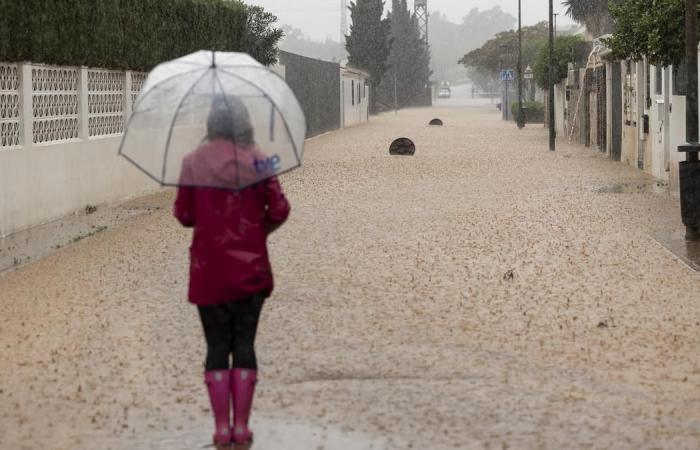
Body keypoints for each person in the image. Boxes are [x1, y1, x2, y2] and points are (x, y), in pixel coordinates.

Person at [174, 95, 290, 448]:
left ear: (211, 124)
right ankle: (242, 427)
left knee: (215, 346)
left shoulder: (193, 162)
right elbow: (280, 209)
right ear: (244, 124)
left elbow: (184, 215)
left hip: (208, 272)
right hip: (251, 273)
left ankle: (221, 429)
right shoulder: (259, 160)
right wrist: (258, 229)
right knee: (244, 344)